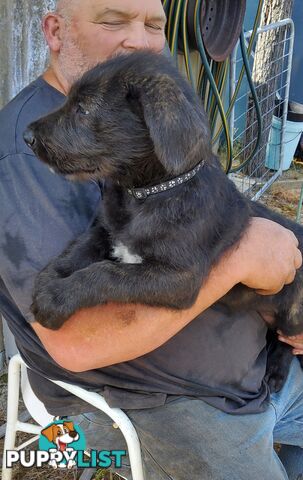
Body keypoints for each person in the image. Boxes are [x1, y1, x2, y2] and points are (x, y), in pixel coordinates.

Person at [0, 0, 303, 478]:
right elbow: (76, 344)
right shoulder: (25, 161)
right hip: (164, 405)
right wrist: (247, 255)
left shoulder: (144, 119)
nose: (139, 41)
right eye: (112, 19)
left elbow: (203, 216)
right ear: (56, 31)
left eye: (154, 25)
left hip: (265, 363)